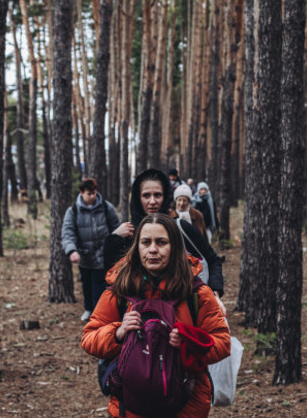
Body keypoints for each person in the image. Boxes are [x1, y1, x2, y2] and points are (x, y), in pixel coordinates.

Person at [81, 213, 230, 418]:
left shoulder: (197, 292)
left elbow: (222, 342)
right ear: (137, 247)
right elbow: (89, 338)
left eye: (161, 242)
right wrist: (118, 332)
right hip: (131, 406)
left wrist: (188, 341)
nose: (152, 250)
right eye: (146, 242)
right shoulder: (120, 289)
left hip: (186, 406)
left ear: (175, 247)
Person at [104, 169, 226, 315]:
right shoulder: (127, 234)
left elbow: (213, 261)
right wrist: (113, 239)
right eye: (146, 195)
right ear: (137, 198)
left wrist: (214, 293)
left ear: (166, 197)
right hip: (135, 323)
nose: (152, 201)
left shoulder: (181, 229)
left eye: (158, 195)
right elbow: (111, 279)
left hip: (182, 320)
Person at [62, 178, 120, 321]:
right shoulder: (73, 211)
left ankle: (99, 314)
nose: (92, 196)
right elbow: (68, 232)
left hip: (103, 257)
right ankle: (88, 309)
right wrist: (72, 251)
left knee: (100, 287)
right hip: (85, 258)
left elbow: (117, 229)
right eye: (89, 193)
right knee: (87, 285)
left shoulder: (106, 207)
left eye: (94, 193)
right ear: (81, 193)